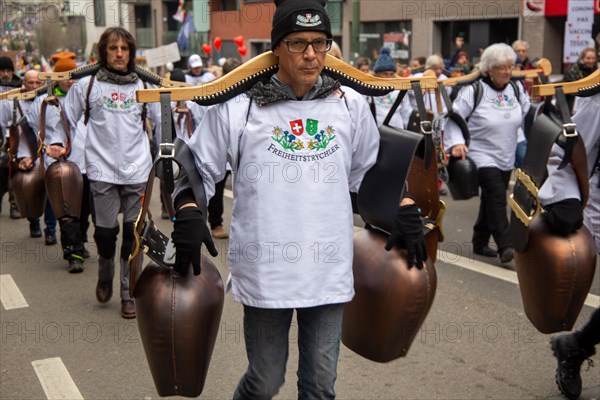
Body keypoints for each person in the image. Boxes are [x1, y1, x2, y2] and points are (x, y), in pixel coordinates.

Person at [169, 0, 426, 397]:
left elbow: (370, 174)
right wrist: (187, 209)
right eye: (298, 43)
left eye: (320, 43)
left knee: (320, 385)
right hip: (266, 269)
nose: (311, 54)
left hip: (328, 267)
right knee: (265, 380)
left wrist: (403, 205)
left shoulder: (349, 104)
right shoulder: (240, 105)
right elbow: (196, 167)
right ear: (276, 48)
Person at [64, 27, 160, 318]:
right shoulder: (88, 86)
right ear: (103, 53)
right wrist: (60, 147)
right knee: (106, 234)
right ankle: (105, 272)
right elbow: (66, 119)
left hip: (138, 170)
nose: (119, 54)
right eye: (113, 48)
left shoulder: (145, 86)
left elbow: (162, 121)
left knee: (133, 237)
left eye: (124, 49)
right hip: (101, 171)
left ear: (131, 53)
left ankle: (127, 292)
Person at [444, 43, 530, 263]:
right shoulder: (473, 91)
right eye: (502, 67)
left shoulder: (516, 89)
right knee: (497, 194)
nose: (508, 72)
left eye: (510, 66)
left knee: (490, 199)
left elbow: (525, 111)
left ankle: (480, 242)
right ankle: (506, 245)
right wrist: (456, 143)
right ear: (489, 69)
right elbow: (453, 117)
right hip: (480, 153)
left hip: (506, 152)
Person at [538, 90, 600, 400]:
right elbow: (568, 147)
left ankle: (576, 345)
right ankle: (576, 346)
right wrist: (565, 197)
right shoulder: (595, 97)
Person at [21, 52, 88, 272]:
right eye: (66, 77)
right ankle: (74, 253)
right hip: (58, 165)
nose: (70, 81)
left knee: (84, 209)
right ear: (57, 78)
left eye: (73, 76)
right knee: (66, 209)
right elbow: (31, 129)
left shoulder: (84, 96)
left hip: (86, 163)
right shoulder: (44, 101)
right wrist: (39, 150)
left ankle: (81, 240)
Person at [5, 69, 58, 241]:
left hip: (46, 154)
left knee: (51, 193)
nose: (34, 86)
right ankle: (33, 221)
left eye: (37, 83)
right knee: (30, 191)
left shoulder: (48, 101)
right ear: (24, 83)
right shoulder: (12, 102)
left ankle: (50, 230)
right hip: (24, 154)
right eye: (30, 82)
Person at [206, 57, 242, 239]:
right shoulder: (214, 96)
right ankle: (215, 223)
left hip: (238, 155)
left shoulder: (249, 98)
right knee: (216, 189)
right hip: (218, 152)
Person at [368, 46, 413, 129]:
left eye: (391, 74)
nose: (389, 77)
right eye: (385, 74)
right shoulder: (369, 90)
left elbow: (406, 112)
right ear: (377, 74)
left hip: (397, 132)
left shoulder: (400, 89)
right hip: (376, 132)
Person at [563, 48, 598, 112]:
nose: (591, 61)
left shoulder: (596, 70)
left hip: (589, 106)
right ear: (582, 58)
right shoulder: (573, 70)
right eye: (588, 58)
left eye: (593, 58)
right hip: (571, 106)